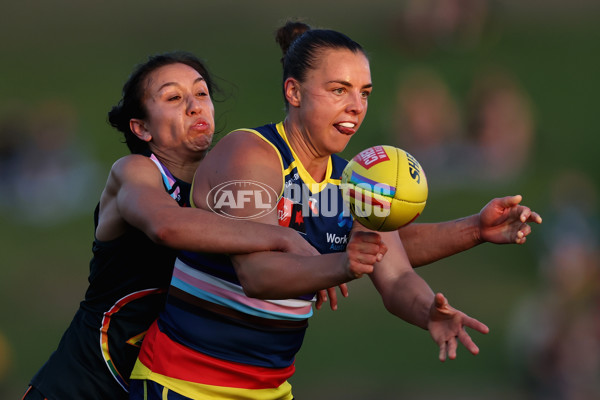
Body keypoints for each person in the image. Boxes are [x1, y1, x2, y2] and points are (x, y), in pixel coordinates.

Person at [130, 22, 540, 400]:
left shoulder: (353, 179)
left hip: (269, 388)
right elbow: (257, 274)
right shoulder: (252, 155)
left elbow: (395, 273)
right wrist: (343, 264)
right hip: (184, 383)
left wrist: (433, 301)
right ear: (294, 92)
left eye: (364, 93)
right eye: (339, 90)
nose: (356, 106)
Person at [21, 52, 351, 400]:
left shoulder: (233, 183)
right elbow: (167, 225)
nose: (195, 106)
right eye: (174, 98)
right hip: (80, 385)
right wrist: (283, 238)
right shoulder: (135, 172)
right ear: (141, 128)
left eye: (202, 94)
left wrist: (317, 262)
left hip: (166, 384)